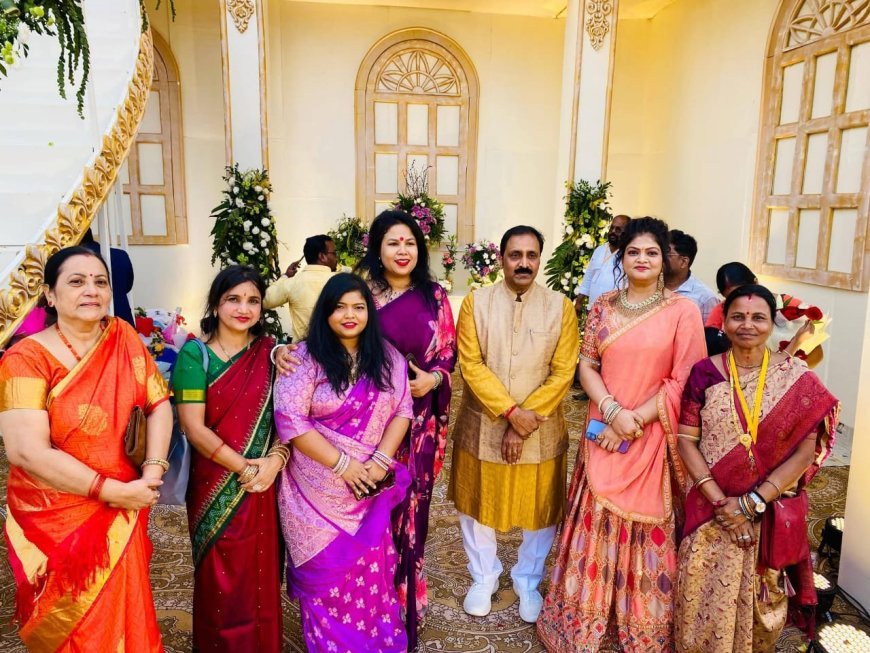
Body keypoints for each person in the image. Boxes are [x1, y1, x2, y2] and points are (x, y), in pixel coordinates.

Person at [537, 217, 706, 651]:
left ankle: (641, 625)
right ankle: (583, 620)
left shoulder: (682, 311)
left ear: (665, 259)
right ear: (621, 257)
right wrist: (613, 413)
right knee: (596, 517)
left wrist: (635, 421)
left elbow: (685, 379)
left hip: (651, 436)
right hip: (604, 431)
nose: (642, 259)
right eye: (634, 252)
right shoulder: (603, 305)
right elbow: (587, 365)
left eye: (652, 252)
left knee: (645, 521)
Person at [0, 246, 172, 652]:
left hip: (129, 501)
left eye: (100, 282)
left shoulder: (123, 336)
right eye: (76, 282)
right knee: (75, 625)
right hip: (57, 513)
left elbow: (159, 404)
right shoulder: (24, 358)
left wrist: (151, 474)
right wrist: (113, 491)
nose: (91, 290)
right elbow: (26, 452)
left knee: (126, 610)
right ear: (49, 294)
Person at [674, 284, 839, 652]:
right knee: (698, 588)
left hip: (767, 512)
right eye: (738, 316)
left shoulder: (796, 377)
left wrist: (751, 503)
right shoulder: (704, 372)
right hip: (710, 507)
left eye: (758, 317)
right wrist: (721, 503)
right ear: (724, 323)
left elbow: (805, 452)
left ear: (772, 323)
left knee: (763, 599)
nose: (747, 325)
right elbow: (686, 440)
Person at [274, 273, 413, 652]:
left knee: (371, 573)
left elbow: (402, 409)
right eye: (340, 307)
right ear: (325, 312)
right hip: (313, 495)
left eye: (358, 307)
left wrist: (380, 461)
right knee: (325, 575)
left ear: (369, 312)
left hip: (367, 488)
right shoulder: (304, 358)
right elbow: (290, 420)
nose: (349, 315)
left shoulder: (387, 357)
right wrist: (342, 466)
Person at [448, 225, 579, 623]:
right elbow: (471, 365)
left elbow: (563, 371)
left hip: (541, 428)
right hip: (484, 425)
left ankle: (527, 580)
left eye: (531, 255)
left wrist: (524, 421)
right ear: (501, 259)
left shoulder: (560, 307)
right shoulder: (476, 303)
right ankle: (483, 577)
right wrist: (511, 413)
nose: (524, 263)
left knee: (541, 507)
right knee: (477, 504)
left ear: (540, 259)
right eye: (515, 255)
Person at [356, 209, 457, 649]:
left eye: (410, 243)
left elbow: (448, 351)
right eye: (393, 242)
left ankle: (403, 604)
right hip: (365, 426)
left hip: (418, 426)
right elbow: (331, 342)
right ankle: (367, 602)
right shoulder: (360, 294)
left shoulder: (433, 295)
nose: (403, 251)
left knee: (410, 511)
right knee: (367, 509)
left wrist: (433, 380)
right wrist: (282, 352)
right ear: (377, 248)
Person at [173, 265, 286, 652]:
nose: (244, 308)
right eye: (233, 299)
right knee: (220, 577)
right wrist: (246, 468)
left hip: (264, 485)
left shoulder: (271, 353)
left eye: (253, 300)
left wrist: (274, 461)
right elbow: (193, 427)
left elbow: (286, 419)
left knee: (261, 573)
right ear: (216, 304)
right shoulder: (195, 355)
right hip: (216, 485)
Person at [705, 262, 823, 363]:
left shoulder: (789, 307)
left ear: (755, 282)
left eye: (744, 293)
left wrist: (785, 369)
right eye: (731, 299)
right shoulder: (720, 311)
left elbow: (816, 354)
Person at [264, 234, 338, 340]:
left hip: (302, 349)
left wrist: (285, 276)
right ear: (322, 256)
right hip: (335, 348)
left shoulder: (292, 282)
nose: (336, 257)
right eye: (334, 253)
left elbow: (266, 300)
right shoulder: (341, 281)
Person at [575, 214, 631, 312]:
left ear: (626, 233)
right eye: (612, 228)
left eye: (618, 230)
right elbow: (589, 276)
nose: (613, 232)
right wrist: (579, 302)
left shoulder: (629, 254)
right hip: (593, 309)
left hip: (615, 312)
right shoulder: (599, 250)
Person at [81, 227, 136, 325]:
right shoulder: (121, 255)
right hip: (123, 318)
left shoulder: (74, 259)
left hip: (91, 321)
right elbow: (128, 286)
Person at [665, 229, 719, 322]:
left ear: (683, 262)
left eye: (666, 254)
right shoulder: (647, 285)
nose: (659, 258)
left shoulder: (705, 298)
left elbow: (708, 330)